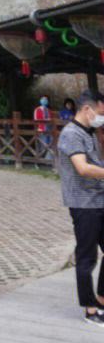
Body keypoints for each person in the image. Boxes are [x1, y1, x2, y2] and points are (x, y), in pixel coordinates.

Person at [56, 90, 104, 325]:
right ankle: (90, 309)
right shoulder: (71, 134)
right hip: (83, 203)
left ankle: (101, 299)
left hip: (99, 199)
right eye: (101, 113)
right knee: (87, 257)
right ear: (88, 109)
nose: (101, 118)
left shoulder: (90, 133)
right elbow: (83, 168)